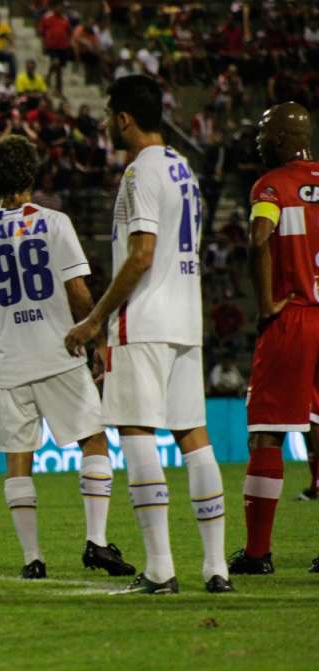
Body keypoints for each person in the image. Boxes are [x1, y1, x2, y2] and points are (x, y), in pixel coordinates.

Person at [65, 76, 232, 594]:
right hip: (186, 318)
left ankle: (160, 567)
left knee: (136, 432)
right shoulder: (185, 169)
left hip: (143, 321)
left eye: (111, 115)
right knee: (193, 436)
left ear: (124, 119)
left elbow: (141, 255)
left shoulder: (140, 173)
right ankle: (216, 567)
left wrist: (96, 319)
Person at [0, 134, 134, 580]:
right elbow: (77, 290)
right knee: (93, 440)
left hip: (9, 364)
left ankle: (33, 559)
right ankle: (95, 541)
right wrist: (95, 338)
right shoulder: (54, 223)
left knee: (18, 458)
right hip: (60, 354)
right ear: (32, 175)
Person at [228, 102, 319, 576]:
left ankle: (258, 553)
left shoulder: (272, 186)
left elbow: (259, 237)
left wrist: (265, 305)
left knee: (267, 432)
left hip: (295, 317)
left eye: (266, 132)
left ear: (286, 138)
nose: (260, 142)